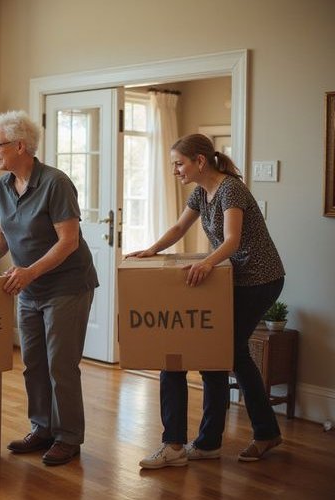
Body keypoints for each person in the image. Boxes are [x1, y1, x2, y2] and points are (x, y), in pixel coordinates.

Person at [131, 133, 285, 469]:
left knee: (228, 352)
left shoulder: (231, 189)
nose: (175, 170)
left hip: (260, 280)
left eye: (178, 163)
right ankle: (226, 439)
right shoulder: (202, 192)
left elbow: (231, 240)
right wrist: (153, 249)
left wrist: (205, 264)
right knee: (220, 354)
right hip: (232, 277)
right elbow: (178, 227)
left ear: (200, 161)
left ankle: (260, 432)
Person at [0, 110, 98, 466]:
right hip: (29, 286)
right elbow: (3, 231)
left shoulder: (55, 183)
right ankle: (43, 428)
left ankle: (68, 437)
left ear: (21, 146)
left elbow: (68, 241)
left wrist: (30, 272)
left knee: (61, 365)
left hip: (67, 285)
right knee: (33, 362)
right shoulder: (2, 185)